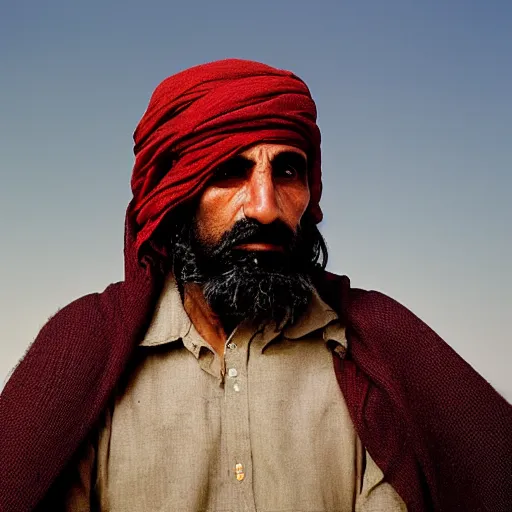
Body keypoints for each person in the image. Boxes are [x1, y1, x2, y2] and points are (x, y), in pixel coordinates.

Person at [0, 59, 510, 512]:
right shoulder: (92, 360)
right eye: (230, 171)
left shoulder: (371, 361)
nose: (266, 206)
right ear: (175, 195)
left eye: (287, 170)